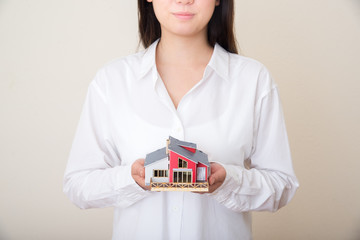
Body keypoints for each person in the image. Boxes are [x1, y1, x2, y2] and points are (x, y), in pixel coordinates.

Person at [63, 0, 299, 239]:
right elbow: (78, 185)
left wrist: (229, 181)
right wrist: (130, 180)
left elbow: (282, 185)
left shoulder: (253, 80)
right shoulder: (112, 81)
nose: (184, 0)